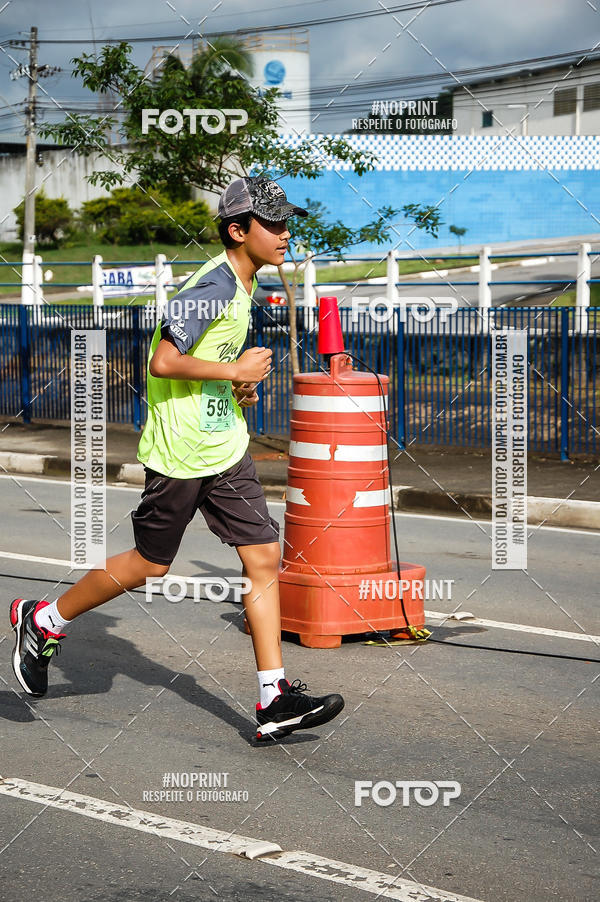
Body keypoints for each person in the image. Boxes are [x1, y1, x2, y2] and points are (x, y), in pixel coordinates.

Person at [10, 176, 344, 742]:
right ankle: (44, 621)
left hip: (225, 445)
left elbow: (204, 362)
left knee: (263, 556)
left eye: (288, 222)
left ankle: (273, 698)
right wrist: (235, 371)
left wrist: (236, 389)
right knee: (150, 563)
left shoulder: (244, 289)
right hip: (181, 450)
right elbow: (164, 362)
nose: (287, 234)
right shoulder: (213, 285)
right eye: (275, 224)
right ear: (239, 231)